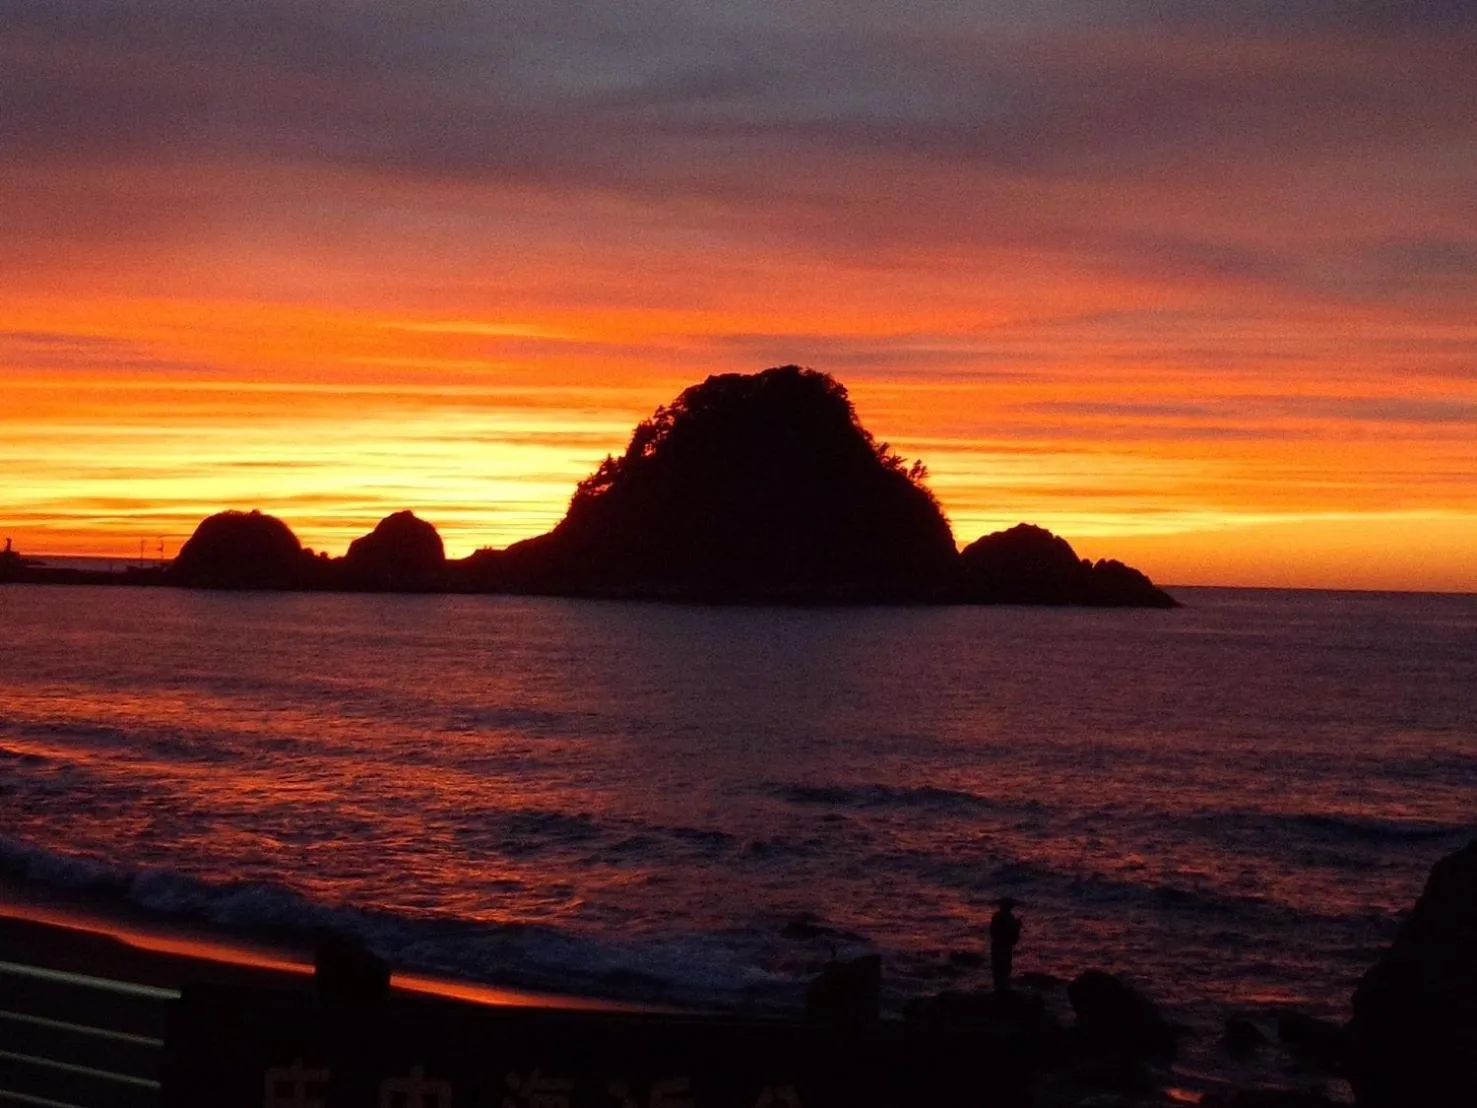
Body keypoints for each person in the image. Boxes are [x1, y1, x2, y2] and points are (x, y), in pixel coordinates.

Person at [989, 897, 1022, 992]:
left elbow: (992, 933)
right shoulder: (1009, 918)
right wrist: (1017, 926)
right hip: (1004, 948)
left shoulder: (996, 917)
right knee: (1004, 970)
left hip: (997, 947)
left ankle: (999, 992)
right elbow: (1013, 938)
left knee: (998, 971)